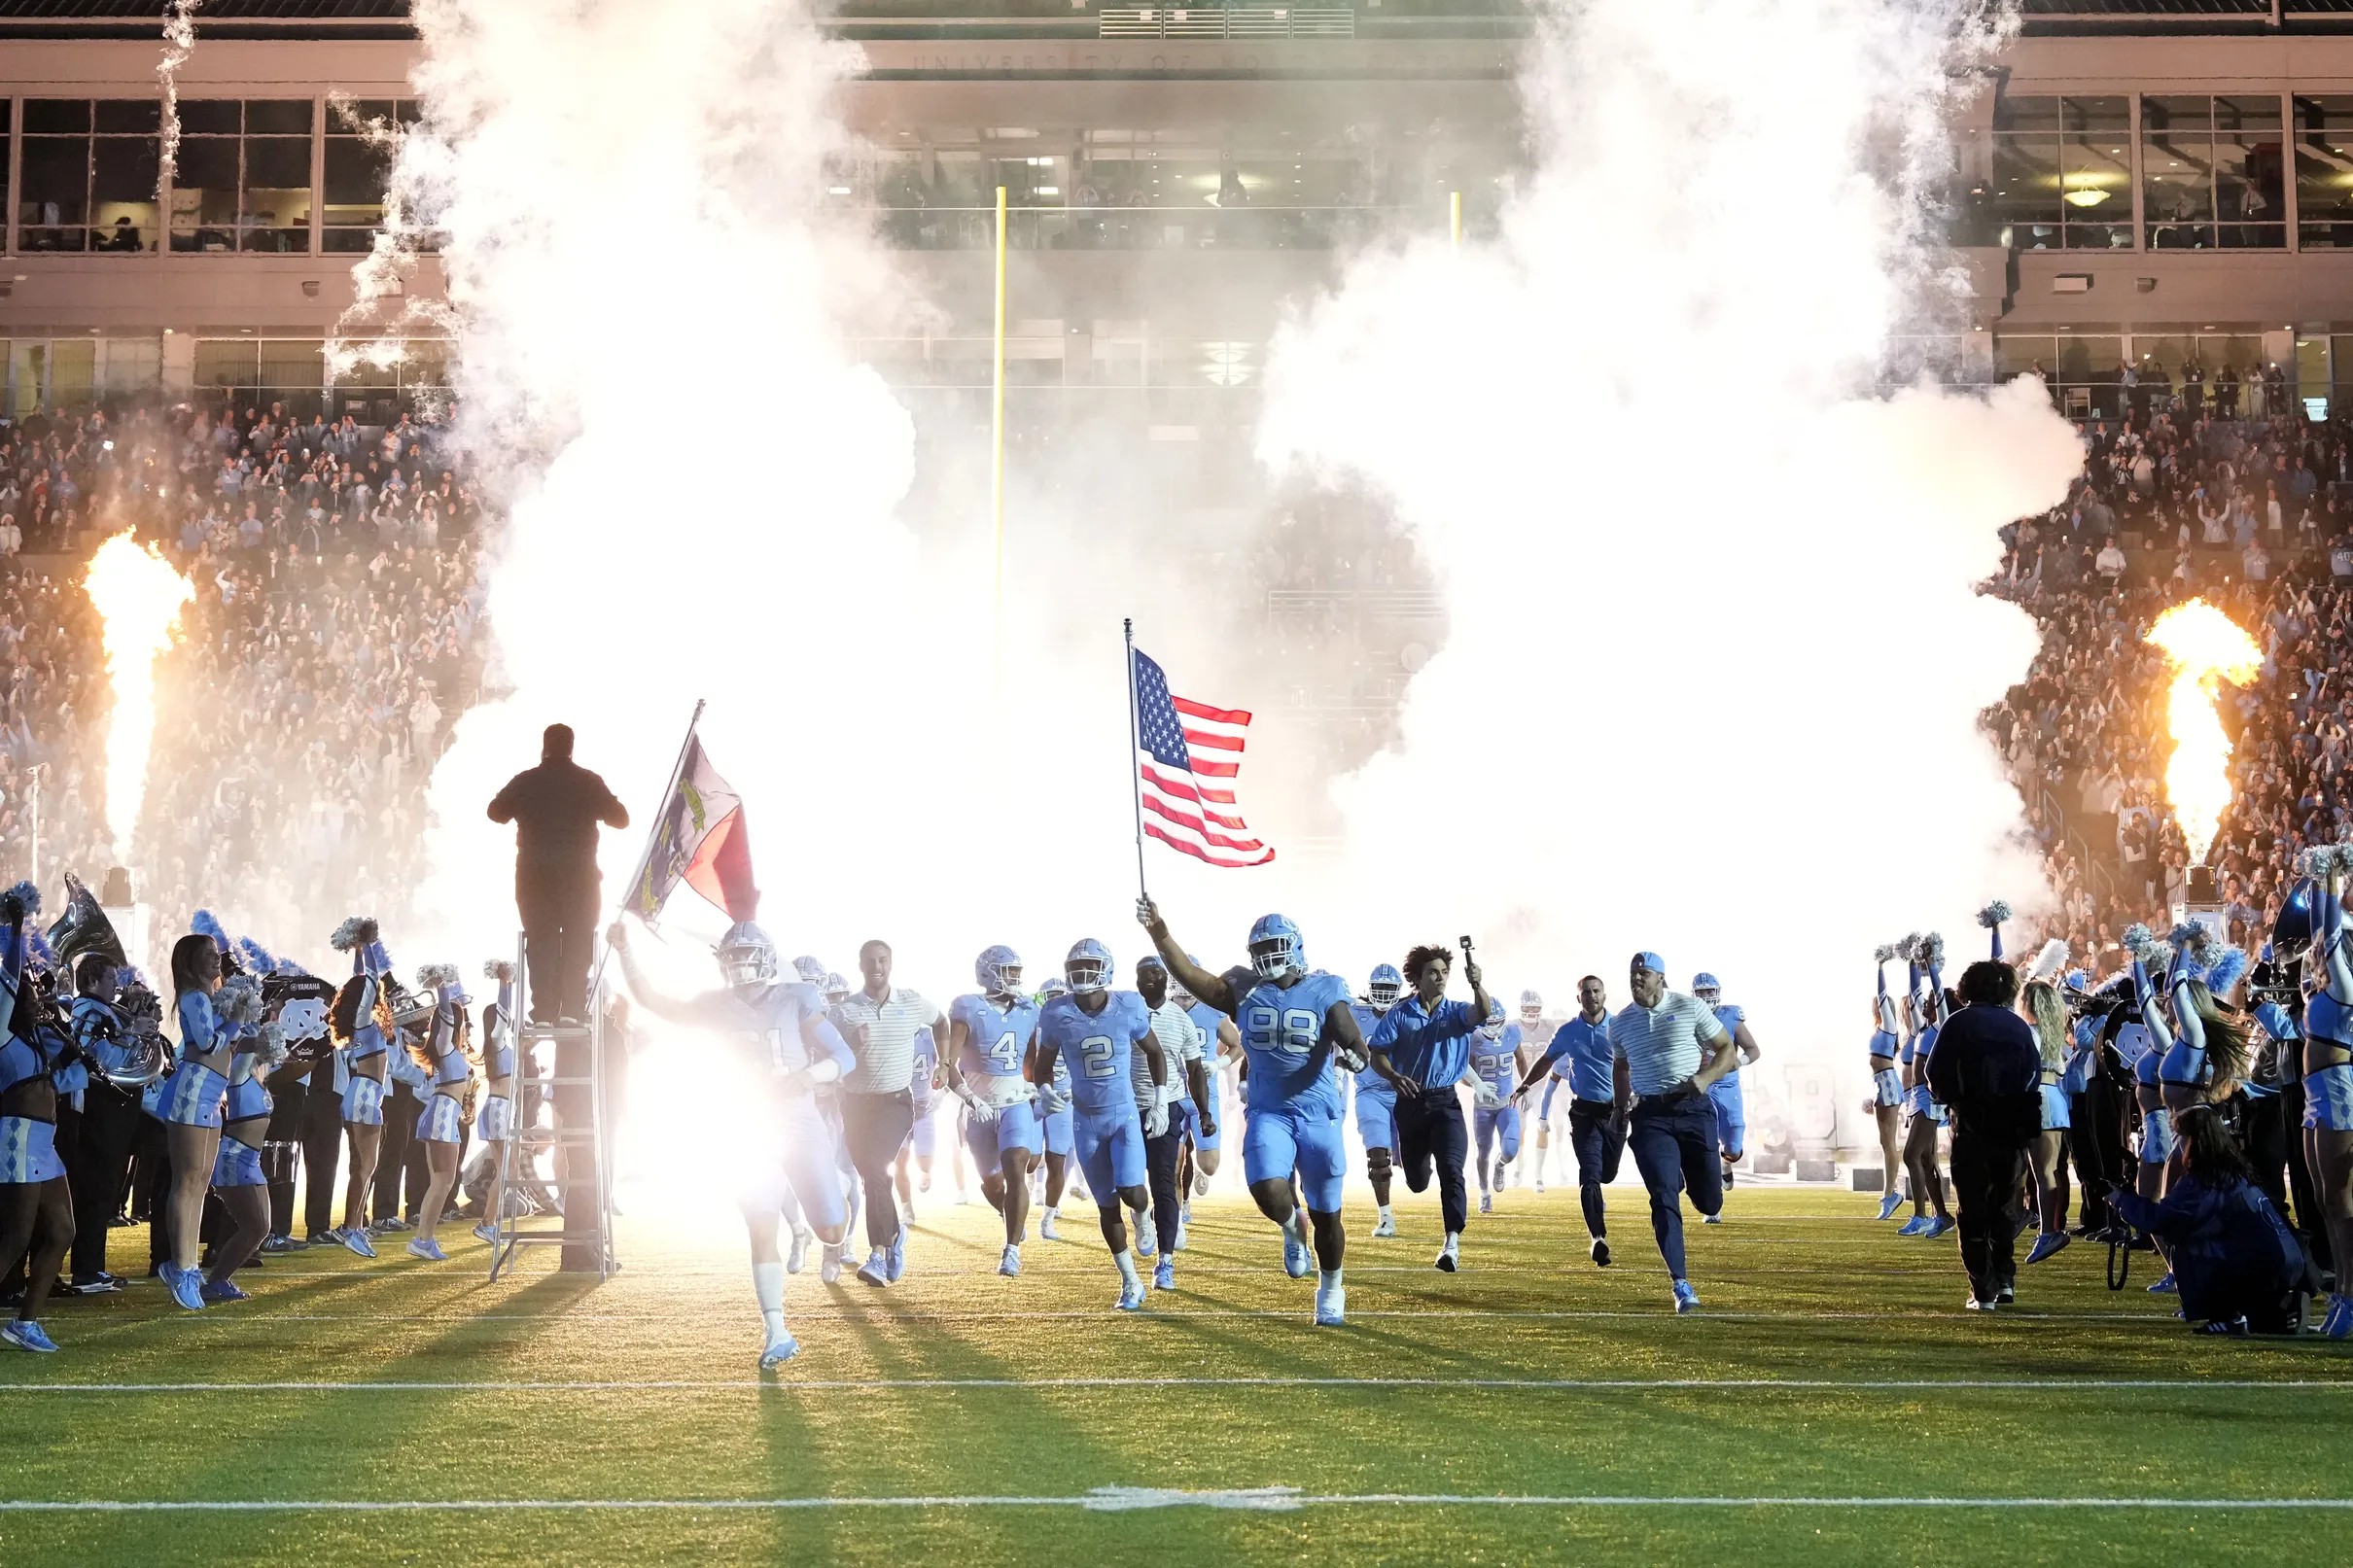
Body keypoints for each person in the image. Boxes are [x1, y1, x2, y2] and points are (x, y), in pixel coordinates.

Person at [608, 916, 852, 1368]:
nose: (739, 964)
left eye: (746, 955)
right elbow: (654, 1001)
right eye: (732, 956)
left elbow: (844, 1056)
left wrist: (809, 1076)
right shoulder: (715, 1004)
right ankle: (776, 1329)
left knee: (831, 1228)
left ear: (764, 958)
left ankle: (839, 1192)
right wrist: (624, 951)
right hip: (749, 1124)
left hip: (799, 1122)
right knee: (761, 1223)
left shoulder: (796, 997)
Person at [1138, 901, 1366, 1328]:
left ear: (1296, 947)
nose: (1267, 955)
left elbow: (1348, 1032)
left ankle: (1331, 1287)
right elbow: (1189, 973)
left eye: (1275, 945)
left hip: (1317, 1112)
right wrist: (1159, 932)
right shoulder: (1243, 988)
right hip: (1269, 1111)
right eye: (1259, 948)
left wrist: (1357, 1055)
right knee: (1266, 1188)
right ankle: (1290, 1227)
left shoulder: (1324, 988)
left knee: (1327, 1212)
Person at [1027, 939, 1167, 1311]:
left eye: (1090, 965)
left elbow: (1154, 1051)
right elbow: (1043, 1063)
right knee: (1106, 1207)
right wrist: (1043, 1089)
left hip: (1122, 1116)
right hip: (1085, 1119)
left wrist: (1159, 1099)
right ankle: (1131, 1282)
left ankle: (1144, 1215)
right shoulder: (1056, 1013)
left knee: (1132, 1190)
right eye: (1076, 966)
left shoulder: (1127, 1006)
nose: (1081, 973)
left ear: (1106, 968)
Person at [2108, 1105, 2311, 1334]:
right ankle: (2278, 1312)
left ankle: (2224, 1315)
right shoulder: (2236, 1170)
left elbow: (2164, 1220)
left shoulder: (2205, 1178)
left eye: (2180, 1136)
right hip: (2282, 1261)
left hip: (2257, 1265)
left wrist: (2120, 1200)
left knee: (2187, 1241)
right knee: (2261, 1322)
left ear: (2194, 1139)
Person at [1610, 952, 1737, 1313]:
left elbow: (1726, 1049)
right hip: (1651, 1116)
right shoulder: (1620, 1023)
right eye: (1633, 973)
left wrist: (1706, 1077)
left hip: (1693, 1109)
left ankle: (1691, 1178)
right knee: (1663, 1196)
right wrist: (1620, 1109)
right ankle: (1681, 1283)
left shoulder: (1690, 1008)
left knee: (1709, 1201)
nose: (1637, 980)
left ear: (1662, 978)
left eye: (1644, 974)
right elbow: (1621, 1067)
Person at [485, 723, 629, 1027]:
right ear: (572, 747)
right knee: (578, 940)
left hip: (534, 879)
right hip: (581, 879)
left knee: (541, 942)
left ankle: (544, 1013)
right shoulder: (588, 781)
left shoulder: (525, 781)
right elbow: (621, 819)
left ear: (544, 746)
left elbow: (495, 812)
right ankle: (573, 1010)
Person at [1365, 941, 1496, 1273]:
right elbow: (1376, 1054)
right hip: (1410, 1104)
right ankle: (1418, 1171)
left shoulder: (1456, 1012)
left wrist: (1477, 983)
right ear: (1417, 978)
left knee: (1452, 1171)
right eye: (1433, 973)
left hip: (1446, 1103)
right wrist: (1395, 1077)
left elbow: (1482, 1012)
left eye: (1444, 973)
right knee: (1417, 1181)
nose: (1440, 978)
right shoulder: (1399, 1014)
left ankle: (1451, 1243)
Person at [827, 940, 949, 1289]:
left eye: (882, 960)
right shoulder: (844, 1012)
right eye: (870, 961)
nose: (876, 967)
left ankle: (878, 1255)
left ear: (890, 963)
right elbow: (825, 1054)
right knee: (874, 1179)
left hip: (895, 1104)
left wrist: (945, 1062)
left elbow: (941, 1021)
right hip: (854, 1107)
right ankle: (896, 1238)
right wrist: (851, 1043)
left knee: (877, 1171)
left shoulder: (911, 1002)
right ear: (860, 965)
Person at [1925, 958, 2042, 1311]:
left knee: (1973, 1208)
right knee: (2005, 1206)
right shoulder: (2019, 1026)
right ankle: (2005, 1280)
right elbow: (2032, 1075)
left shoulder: (1958, 1022)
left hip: (1972, 1124)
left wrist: (1952, 1100)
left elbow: (1935, 1072)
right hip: (2013, 1126)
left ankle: (1983, 1289)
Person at [0, 887, 73, 1351]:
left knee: (63, 1230)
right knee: (14, 1239)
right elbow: (7, 979)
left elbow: (62, 1079)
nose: (35, 997)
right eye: (30, 993)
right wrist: (13, 927)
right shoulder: (2, 1037)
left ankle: (26, 1322)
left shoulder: (35, 1039)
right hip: (18, 1138)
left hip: (43, 1143)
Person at [943, 945, 1044, 1277]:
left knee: (1016, 1165)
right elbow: (949, 1065)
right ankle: (1007, 1214)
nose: (1014, 978)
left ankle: (1011, 1250)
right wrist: (970, 1099)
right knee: (991, 1183)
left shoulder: (1029, 1009)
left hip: (1014, 1103)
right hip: (979, 1109)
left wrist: (1036, 1088)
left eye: (1017, 971)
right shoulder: (968, 1008)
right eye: (1008, 971)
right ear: (988, 973)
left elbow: (1032, 1057)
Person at [1510, 974, 1620, 1266]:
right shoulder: (1569, 1031)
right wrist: (1524, 1083)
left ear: (1604, 995)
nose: (1592, 996)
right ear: (1579, 998)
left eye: (1597, 991)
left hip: (1616, 1112)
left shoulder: (1619, 1028)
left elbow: (1637, 1062)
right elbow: (1547, 1060)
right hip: (1583, 1112)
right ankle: (1598, 1238)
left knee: (1608, 1173)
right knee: (1590, 1174)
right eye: (1586, 992)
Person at [1136, 954, 1212, 1290]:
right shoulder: (1127, 1012)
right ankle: (1142, 1219)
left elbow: (1195, 1069)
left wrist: (1204, 1112)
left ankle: (1164, 1262)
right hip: (1126, 1107)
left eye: (1156, 972)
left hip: (1166, 1108)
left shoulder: (1180, 1019)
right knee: (1126, 1184)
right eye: (1144, 973)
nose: (1150, 977)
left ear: (1167, 979)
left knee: (1164, 1182)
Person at [404, 965, 474, 1262]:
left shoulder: (453, 1052)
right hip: (442, 1113)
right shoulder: (445, 1046)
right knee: (443, 1181)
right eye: (464, 1023)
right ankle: (423, 1239)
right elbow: (445, 1018)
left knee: (443, 1181)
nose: (466, 1028)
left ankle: (424, 1238)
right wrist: (441, 988)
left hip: (446, 1113)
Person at [1690, 971, 1760, 1212]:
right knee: (1706, 1143)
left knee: (1733, 1145)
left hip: (1728, 1085)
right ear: (1694, 995)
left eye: (1710, 991)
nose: (1707, 996)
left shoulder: (1730, 1016)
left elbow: (1753, 1049)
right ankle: (1714, 1205)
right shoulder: (1687, 1017)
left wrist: (1740, 1061)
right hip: (1702, 1086)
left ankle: (1726, 1165)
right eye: (1702, 992)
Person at [1352, 964, 1402, 1237]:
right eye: (1378, 988)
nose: (1383, 994)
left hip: (1403, 1091)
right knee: (1377, 1155)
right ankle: (1385, 1216)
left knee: (1416, 1166)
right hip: (1370, 1093)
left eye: (1388, 989)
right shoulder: (1353, 1013)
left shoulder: (1408, 1013)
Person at [1868, 947, 1907, 1223]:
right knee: (1885, 1143)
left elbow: (1882, 996)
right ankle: (1889, 1193)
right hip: (1881, 1084)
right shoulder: (1879, 1028)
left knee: (1889, 1144)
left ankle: (1890, 1193)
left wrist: (1880, 967)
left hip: (1888, 1085)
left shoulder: (1889, 1027)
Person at [1467, 1012, 1521, 1215]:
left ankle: (1501, 1164)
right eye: (1489, 1022)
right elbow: (1463, 1070)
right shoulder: (1473, 1037)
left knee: (1510, 1149)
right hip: (1482, 1106)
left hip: (1507, 1102)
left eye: (1497, 1022)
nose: (1493, 1026)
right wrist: (1476, 1084)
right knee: (1483, 1151)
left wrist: (1525, 1087)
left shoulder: (1513, 1033)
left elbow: (1522, 1061)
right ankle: (1484, 1193)